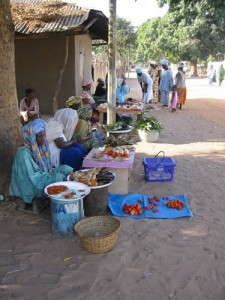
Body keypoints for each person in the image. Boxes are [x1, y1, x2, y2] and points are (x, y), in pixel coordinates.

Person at [10, 119, 72, 204]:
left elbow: (47, 170)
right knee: (59, 177)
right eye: (40, 136)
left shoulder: (40, 147)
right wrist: (55, 177)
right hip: (32, 185)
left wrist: (51, 175)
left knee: (67, 169)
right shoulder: (23, 153)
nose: (43, 138)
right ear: (31, 137)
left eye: (44, 135)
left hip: (42, 176)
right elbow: (32, 179)